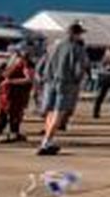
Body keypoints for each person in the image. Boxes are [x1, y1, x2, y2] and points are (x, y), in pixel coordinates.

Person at [35, 21, 92, 156]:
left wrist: (42, 79)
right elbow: (80, 68)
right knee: (58, 112)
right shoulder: (77, 49)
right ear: (76, 34)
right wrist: (78, 82)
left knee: (50, 112)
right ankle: (46, 141)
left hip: (49, 82)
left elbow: (40, 65)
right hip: (66, 83)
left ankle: (47, 140)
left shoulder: (53, 46)